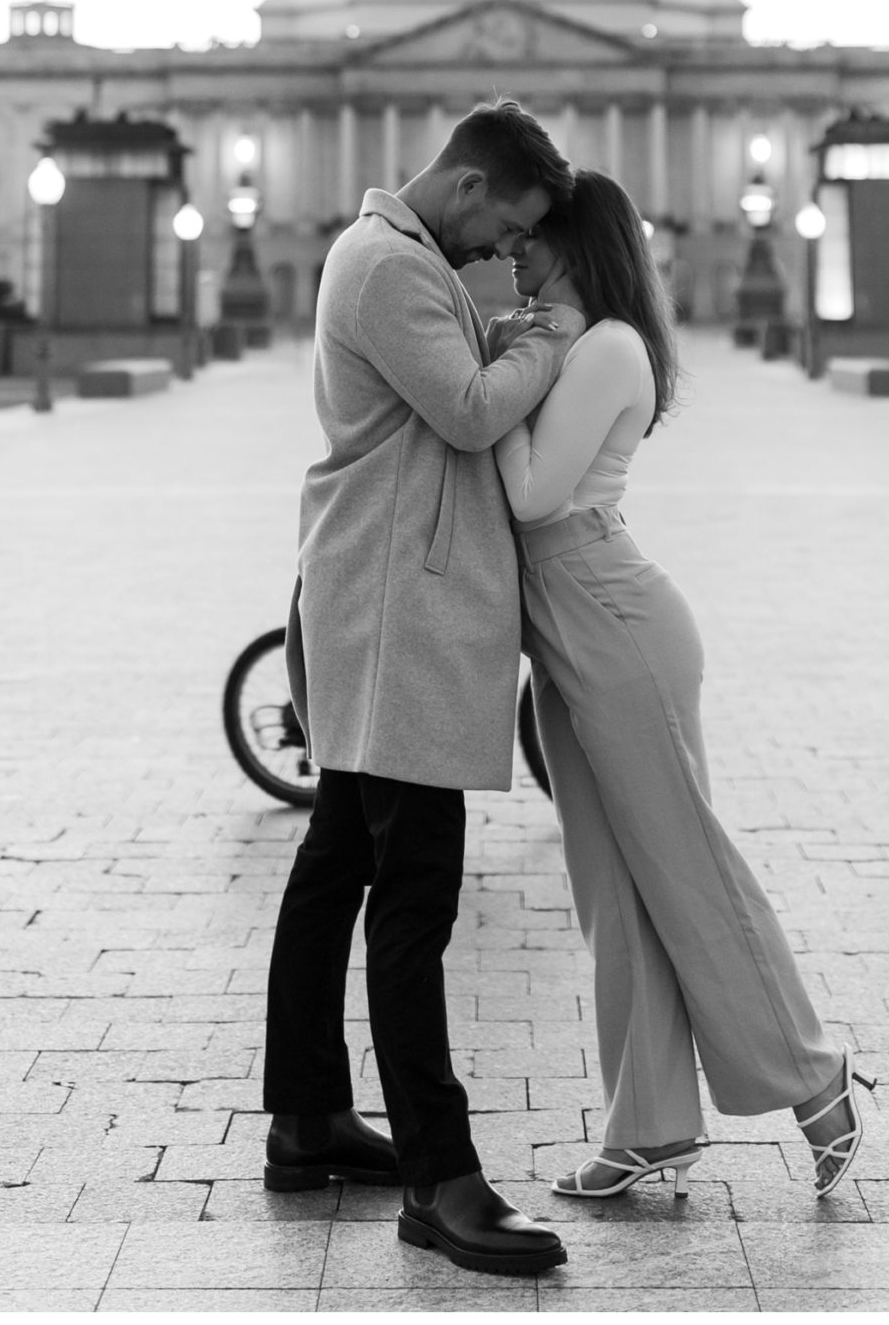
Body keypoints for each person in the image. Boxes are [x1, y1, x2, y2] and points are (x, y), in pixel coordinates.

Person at [491, 171, 875, 1204]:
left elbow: (529, 496)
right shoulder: (558, 338)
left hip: (612, 617)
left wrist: (510, 363)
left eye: (529, 238)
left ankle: (811, 1072)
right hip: (562, 633)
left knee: (685, 864)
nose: (511, 252)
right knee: (610, 888)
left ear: (576, 241)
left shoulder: (604, 343)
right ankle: (650, 1123)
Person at [261, 98, 575, 1279]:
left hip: (383, 588)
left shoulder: (386, 255)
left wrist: (496, 325)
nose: (505, 254)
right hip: (402, 607)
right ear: (470, 186)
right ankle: (441, 1181)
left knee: (335, 860)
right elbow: (469, 407)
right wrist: (547, 330)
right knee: (414, 897)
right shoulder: (391, 267)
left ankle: (303, 1116)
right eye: (508, 231)